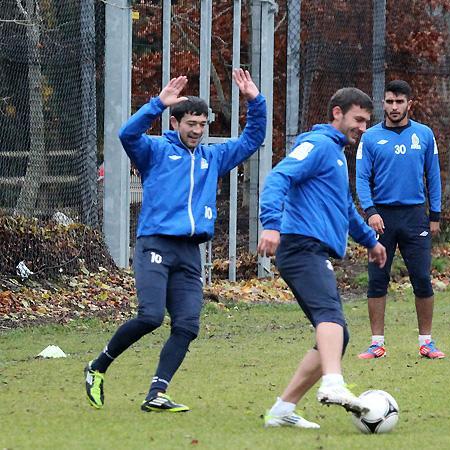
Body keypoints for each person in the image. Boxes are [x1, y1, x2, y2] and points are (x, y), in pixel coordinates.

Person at [84, 69, 266, 412]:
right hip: (155, 244)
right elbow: (127, 134)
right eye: (190, 124)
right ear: (175, 123)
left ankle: (157, 393)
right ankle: (97, 366)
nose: (197, 130)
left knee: (187, 325)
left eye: (202, 125)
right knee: (151, 317)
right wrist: (157, 103)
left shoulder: (212, 158)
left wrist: (255, 101)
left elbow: (252, 139)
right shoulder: (154, 151)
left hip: (189, 252)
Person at [258, 87, 387, 429]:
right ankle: (333, 382)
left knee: (337, 335)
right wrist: (270, 224)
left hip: (311, 248)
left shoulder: (337, 154)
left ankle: (282, 410)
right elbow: (278, 177)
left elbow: (344, 208)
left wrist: (370, 242)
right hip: (301, 245)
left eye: (366, 122)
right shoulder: (317, 145)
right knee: (330, 317)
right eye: (358, 119)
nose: (362, 127)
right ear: (337, 113)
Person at [355, 80, 444, 360]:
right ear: (383, 104)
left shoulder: (424, 134)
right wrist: (371, 212)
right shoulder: (370, 137)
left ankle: (426, 342)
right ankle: (376, 344)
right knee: (377, 280)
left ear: (409, 104)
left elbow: (433, 175)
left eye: (400, 102)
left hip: (415, 216)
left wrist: (435, 214)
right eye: (390, 101)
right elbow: (361, 178)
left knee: (422, 278)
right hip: (382, 218)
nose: (394, 107)